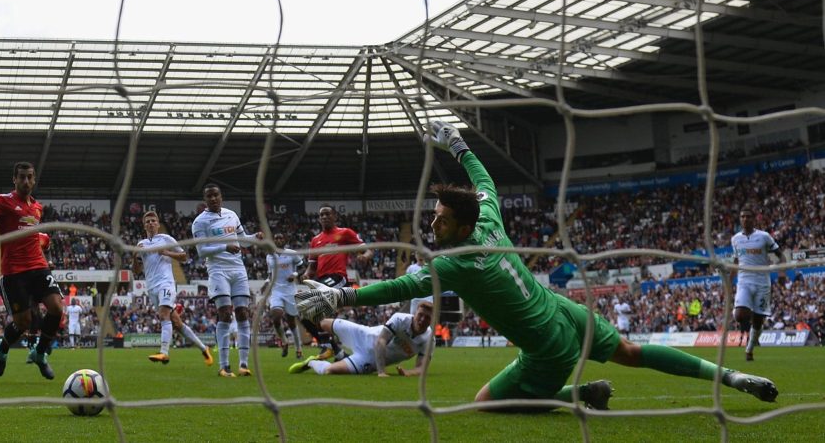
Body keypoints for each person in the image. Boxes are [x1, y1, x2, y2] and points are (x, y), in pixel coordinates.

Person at [297, 121, 779, 411]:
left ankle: (573, 395)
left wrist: (344, 295)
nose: (433, 223)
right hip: (562, 309)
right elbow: (483, 179)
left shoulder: (461, 263)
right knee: (632, 350)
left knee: (485, 404)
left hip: (549, 346)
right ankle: (733, 378)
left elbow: (400, 284)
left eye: (440, 219)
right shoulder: (488, 217)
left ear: (460, 226)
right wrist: (459, 147)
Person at [0, 161, 62, 380]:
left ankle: (40, 354)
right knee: (23, 322)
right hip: (14, 272)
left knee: (57, 308)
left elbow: (40, 240)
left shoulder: (37, 207)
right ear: (14, 179)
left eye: (30, 177)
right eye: (21, 177)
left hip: (38, 268)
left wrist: (46, 260)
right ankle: (2, 350)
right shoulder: (3, 201)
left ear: (34, 179)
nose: (26, 181)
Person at [192, 184, 263, 377]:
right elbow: (201, 251)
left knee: (242, 313)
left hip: (238, 269)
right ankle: (224, 366)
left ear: (221, 197)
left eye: (216, 195)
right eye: (209, 196)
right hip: (218, 270)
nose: (213, 199)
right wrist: (224, 246)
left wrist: (254, 238)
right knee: (225, 314)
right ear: (205, 199)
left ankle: (243, 364)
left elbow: (242, 240)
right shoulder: (200, 222)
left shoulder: (232, 215)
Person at [137, 210, 214, 366]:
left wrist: (166, 252)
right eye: (148, 221)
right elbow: (136, 271)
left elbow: (184, 256)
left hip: (166, 283)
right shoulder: (141, 245)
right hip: (151, 287)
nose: (151, 223)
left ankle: (164, 352)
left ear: (158, 224)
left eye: (153, 221)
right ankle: (203, 348)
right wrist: (134, 257)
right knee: (177, 324)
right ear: (144, 225)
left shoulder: (166, 239)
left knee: (163, 315)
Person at [300, 205, 373, 360]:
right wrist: (306, 274)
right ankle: (335, 350)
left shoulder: (344, 233)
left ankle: (328, 347)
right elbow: (312, 267)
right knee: (303, 312)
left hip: (338, 278)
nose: (324, 217)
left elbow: (367, 249)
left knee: (317, 303)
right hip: (321, 280)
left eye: (328, 214)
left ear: (335, 216)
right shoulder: (315, 240)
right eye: (322, 215)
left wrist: (365, 255)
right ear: (319, 219)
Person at [289, 300, 434, 376]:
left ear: (432, 320)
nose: (422, 320)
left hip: (369, 360)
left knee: (329, 371)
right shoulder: (401, 319)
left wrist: (407, 373)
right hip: (363, 334)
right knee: (323, 323)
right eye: (420, 315)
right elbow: (381, 341)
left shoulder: (429, 340)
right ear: (415, 313)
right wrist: (382, 372)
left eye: (427, 317)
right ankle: (332, 349)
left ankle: (312, 363)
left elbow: (421, 368)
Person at [731, 207, 786, 362]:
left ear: (754, 219)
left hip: (762, 282)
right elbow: (736, 261)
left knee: (758, 320)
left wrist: (782, 273)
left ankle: (749, 349)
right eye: (742, 216)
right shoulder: (735, 239)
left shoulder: (764, 237)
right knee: (740, 315)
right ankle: (749, 329)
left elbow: (781, 256)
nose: (745, 219)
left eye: (748, 216)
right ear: (740, 219)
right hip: (744, 281)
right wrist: (729, 280)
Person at [265, 233, 304, 359]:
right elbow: (270, 274)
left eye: (280, 237)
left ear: (284, 240)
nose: (278, 239)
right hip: (276, 291)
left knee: (292, 321)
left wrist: (295, 274)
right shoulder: (269, 256)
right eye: (276, 238)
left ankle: (298, 348)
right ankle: (285, 342)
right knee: (276, 317)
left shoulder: (292, 253)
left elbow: (302, 266)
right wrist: (267, 284)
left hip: (290, 291)